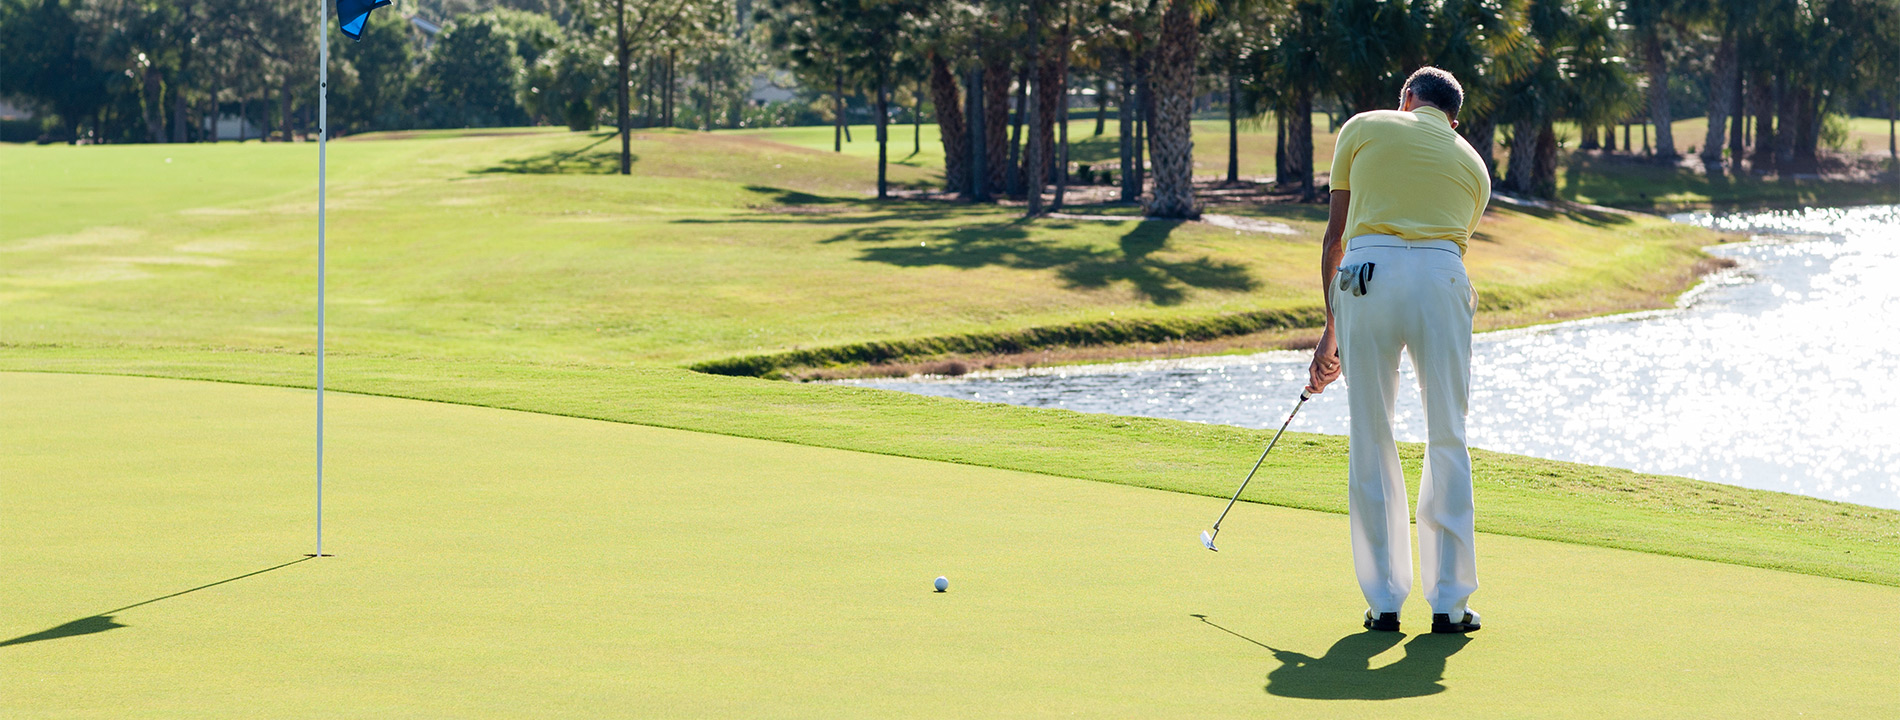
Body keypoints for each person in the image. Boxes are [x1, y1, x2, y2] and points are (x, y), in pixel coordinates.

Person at [1304, 67, 1491, 635]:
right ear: (1453, 118)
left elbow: (1335, 237)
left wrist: (1328, 334)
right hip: (1442, 278)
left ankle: (1385, 602)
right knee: (1447, 434)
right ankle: (1450, 605)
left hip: (1367, 274)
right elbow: (1447, 246)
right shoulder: (1474, 164)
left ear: (1406, 99)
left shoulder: (1363, 127)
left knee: (1372, 433)